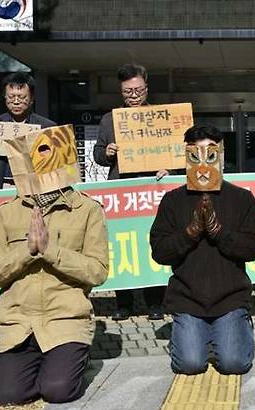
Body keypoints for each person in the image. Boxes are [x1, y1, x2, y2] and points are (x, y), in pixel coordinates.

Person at [0, 124, 109, 405]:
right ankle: (44, 363)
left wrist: (51, 251)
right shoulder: (8, 212)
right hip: (19, 322)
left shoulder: (87, 210)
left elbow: (98, 271)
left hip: (65, 318)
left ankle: (70, 360)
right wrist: (27, 251)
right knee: (8, 396)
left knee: (57, 390)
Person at [149, 125, 255, 375]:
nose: (203, 162)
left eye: (211, 153)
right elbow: (159, 251)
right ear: (186, 156)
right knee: (190, 364)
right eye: (195, 153)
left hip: (230, 297)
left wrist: (219, 232)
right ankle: (193, 332)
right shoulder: (173, 200)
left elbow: (253, 248)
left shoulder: (241, 198)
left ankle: (238, 327)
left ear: (221, 155)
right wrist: (189, 233)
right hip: (188, 298)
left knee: (234, 364)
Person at [93, 63, 168, 321]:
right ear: (120, 91)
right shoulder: (109, 119)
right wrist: (107, 153)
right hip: (121, 191)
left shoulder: (160, 116)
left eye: (138, 90)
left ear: (147, 88)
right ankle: (123, 303)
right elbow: (97, 154)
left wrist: (167, 168)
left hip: (152, 191)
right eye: (128, 92)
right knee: (122, 246)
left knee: (152, 243)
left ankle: (155, 302)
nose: (133, 96)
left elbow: (175, 153)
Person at [0, 72, 56, 199]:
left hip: (35, 189)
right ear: (5, 97)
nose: (16, 102)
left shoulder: (47, 127)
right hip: (3, 186)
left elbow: (55, 162)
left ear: (31, 98)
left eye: (21, 97)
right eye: (11, 97)